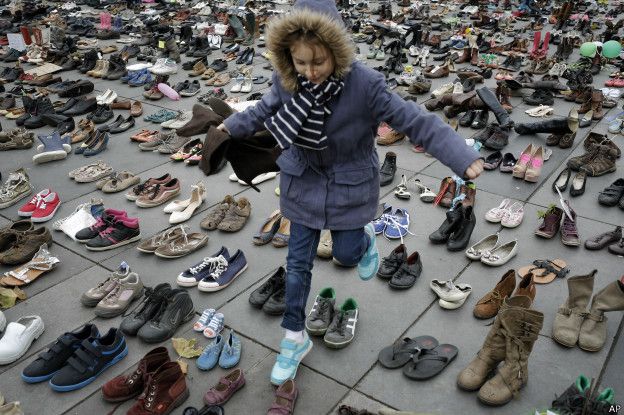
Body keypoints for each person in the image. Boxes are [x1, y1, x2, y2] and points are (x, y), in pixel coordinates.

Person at [218, 0, 484, 386]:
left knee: (345, 255)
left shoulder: (366, 85)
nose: (309, 72)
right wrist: (226, 127)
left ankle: (363, 240)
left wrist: (458, 154)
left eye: (318, 62)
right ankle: (294, 337)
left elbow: (412, 118)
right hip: (302, 179)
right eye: (300, 62)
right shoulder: (287, 77)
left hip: (348, 182)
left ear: (337, 53)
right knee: (297, 265)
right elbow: (263, 109)